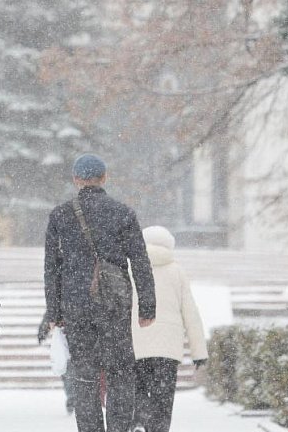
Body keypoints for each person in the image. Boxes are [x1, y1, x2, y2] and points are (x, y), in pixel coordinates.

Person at [43, 154, 156, 432]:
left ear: (76, 179)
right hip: (114, 304)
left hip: (77, 306)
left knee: (84, 376)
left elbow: (51, 268)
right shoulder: (123, 213)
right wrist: (147, 306)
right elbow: (140, 261)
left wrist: (54, 312)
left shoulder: (60, 215)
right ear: (104, 178)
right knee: (120, 374)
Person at [130, 226, 208, 432]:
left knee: (137, 390)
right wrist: (199, 352)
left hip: (136, 343)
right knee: (163, 401)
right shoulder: (176, 271)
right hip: (167, 349)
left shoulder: (131, 268)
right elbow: (190, 313)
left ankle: (139, 419)